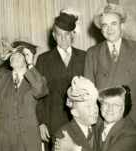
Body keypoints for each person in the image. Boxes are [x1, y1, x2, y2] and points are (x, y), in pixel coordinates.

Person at [84, 1, 136, 138]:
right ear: (100, 30)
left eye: (114, 24)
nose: (109, 29)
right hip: (105, 117)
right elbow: (89, 91)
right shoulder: (92, 53)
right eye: (104, 25)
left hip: (134, 116)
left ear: (122, 25)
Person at [0, 41, 49, 151]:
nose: (14, 56)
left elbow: (39, 91)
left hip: (27, 140)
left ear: (27, 58)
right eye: (12, 53)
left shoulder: (36, 80)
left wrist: (31, 65)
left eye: (20, 54)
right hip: (1, 138)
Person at [35, 8, 86, 150]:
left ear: (72, 35)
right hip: (53, 123)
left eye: (67, 34)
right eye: (59, 35)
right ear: (53, 36)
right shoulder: (43, 59)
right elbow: (38, 95)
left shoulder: (85, 57)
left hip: (80, 122)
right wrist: (41, 123)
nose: (63, 39)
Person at [53, 76, 99, 151]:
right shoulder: (63, 135)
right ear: (75, 112)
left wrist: (76, 149)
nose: (94, 109)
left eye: (94, 103)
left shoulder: (100, 128)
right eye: (88, 106)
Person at [97, 86, 136, 151]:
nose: (110, 109)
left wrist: (78, 149)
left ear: (123, 108)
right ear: (100, 107)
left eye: (115, 104)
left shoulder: (131, 135)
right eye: (106, 103)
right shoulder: (99, 126)